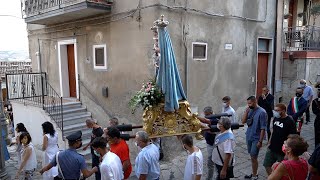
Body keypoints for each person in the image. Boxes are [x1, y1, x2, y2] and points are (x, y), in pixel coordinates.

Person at [263, 103, 297, 175]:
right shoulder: (276, 118)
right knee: (266, 164)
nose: (275, 112)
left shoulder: (290, 121)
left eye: (277, 110)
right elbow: (273, 131)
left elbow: (292, 138)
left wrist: (287, 152)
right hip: (272, 147)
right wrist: (269, 142)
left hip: (282, 151)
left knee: (282, 170)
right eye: (275, 110)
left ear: (284, 111)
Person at [242, 96, 267, 180]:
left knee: (254, 156)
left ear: (255, 102)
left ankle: (255, 175)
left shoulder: (262, 112)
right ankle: (254, 172)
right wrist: (246, 112)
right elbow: (243, 121)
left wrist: (260, 141)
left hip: (256, 138)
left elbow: (263, 128)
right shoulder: (249, 109)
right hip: (249, 135)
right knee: (252, 156)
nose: (248, 105)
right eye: (248, 103)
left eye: (250, 103)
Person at [197, 106, 219, 180]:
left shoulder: (214, 119)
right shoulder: (210, 117)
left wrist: (197, 118)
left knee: (212, 162)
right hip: (209, 143)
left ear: (210, 113)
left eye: (206, 114)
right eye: (204, 114)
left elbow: (209, 128)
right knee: (211, 162)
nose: (205, 116)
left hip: (213, 144)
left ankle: (214, 177)